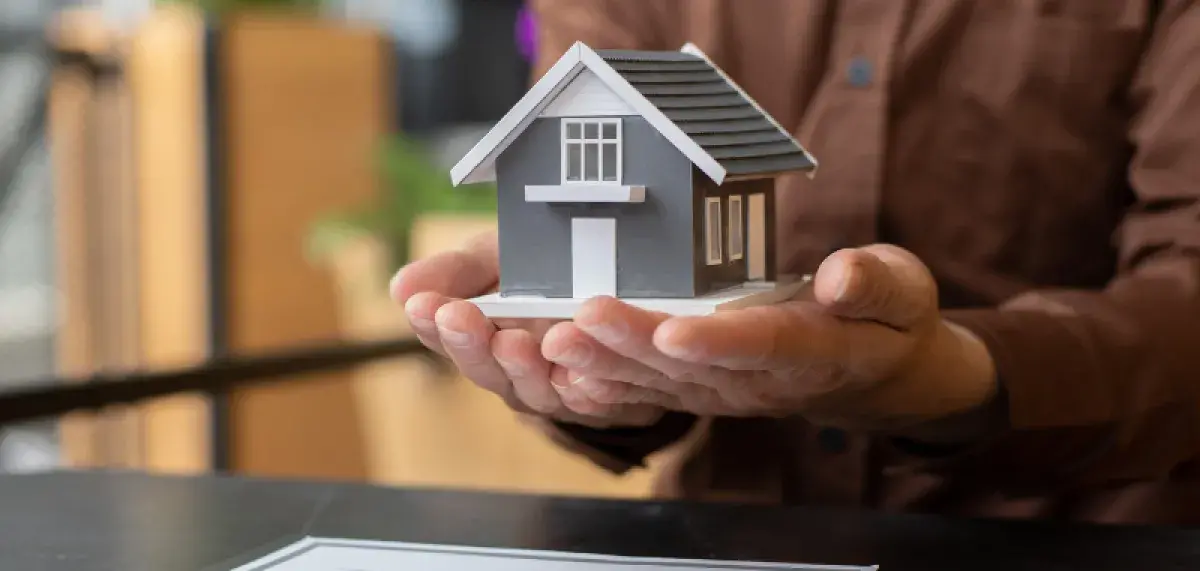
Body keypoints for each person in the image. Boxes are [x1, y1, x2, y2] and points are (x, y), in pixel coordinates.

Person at [391, 0, 1200, 524]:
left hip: (1075, 531)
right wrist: (593, 375)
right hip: (729, 528)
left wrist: (953, 377)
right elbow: (580, 103)